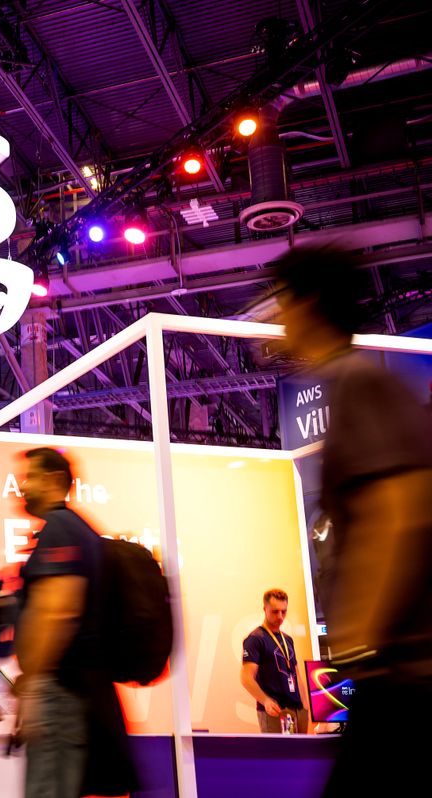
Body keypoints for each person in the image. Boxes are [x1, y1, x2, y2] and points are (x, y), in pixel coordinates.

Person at [272, 245, 432, 797]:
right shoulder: (357, 380)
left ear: (308, 303)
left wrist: (362, 639)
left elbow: (400, 511)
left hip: (400, 670)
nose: (277, 315)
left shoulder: (357, 380)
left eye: (282, 301)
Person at [15, 447, 132, 798]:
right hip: (74, 691)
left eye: (30, 476)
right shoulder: (78, 530)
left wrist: (33, 684)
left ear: (53, 480)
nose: (23, 485)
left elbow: (57, 612)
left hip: (59, 692)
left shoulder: (61, 529)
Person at [241, 589, 308, 733]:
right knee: (280, 754)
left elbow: (296, 674)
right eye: (275, 611)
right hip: (275, 711)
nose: (280, 616)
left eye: (284, 612)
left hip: (296, 709)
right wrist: (265, 700)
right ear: (265, 609)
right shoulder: (255, 639)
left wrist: (305, 705)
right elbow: (246, 678)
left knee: (299, 754)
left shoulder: (288, 639)